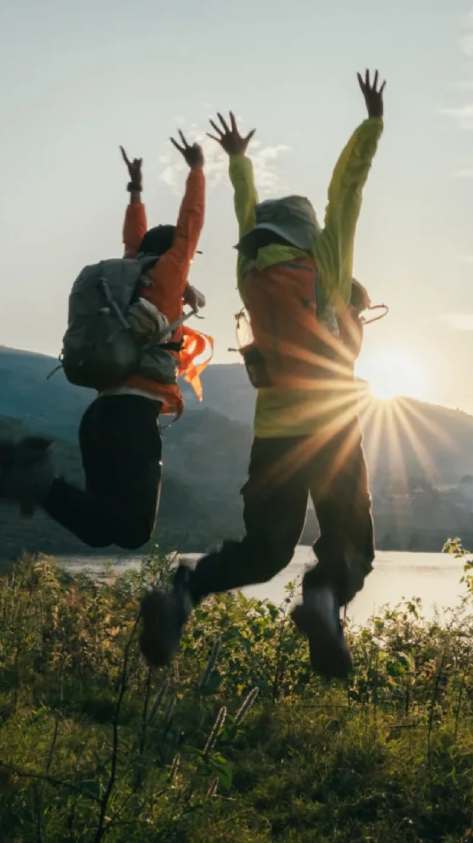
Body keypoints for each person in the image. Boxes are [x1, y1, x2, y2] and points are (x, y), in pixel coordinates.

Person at [139, 72, 387, 678]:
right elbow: (345, 194)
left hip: (273, 431)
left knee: (266, 549)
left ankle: (184, 594)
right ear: (309, 236)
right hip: (329, 427)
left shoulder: (250, 270)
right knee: (351, 544)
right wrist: (371, 125)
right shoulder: (325, 266)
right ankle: (325, 601)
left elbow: (247, 215)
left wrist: (238, 162)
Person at [0, 132, 212, 549]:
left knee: (102, 530)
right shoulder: (167, 281)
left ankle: (32, 477)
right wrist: (197, 170)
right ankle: (36, 477)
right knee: (132, 532)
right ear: (172, 257)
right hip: (133, 418)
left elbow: (133, 241)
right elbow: (189, 229)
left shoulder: (128, 281)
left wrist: (135, 190)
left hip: (99, 418)